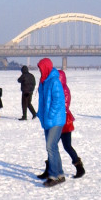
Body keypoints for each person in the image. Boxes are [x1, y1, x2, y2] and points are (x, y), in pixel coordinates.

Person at [36, 58, 66, 186]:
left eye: (41, 68)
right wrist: (40, 114)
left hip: (55, 120)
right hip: (47, 120)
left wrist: (50, 114)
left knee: (50, 146)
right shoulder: (43, 82)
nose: (40, 71)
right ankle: (59, 174)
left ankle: (54, 176)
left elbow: (58, 100)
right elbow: (42, 101)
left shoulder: (54, 81)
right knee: (52, 147)